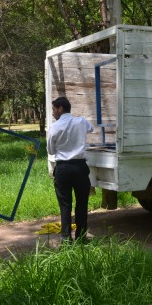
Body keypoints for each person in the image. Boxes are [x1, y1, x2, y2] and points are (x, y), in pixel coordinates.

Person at [47, 97, 94, 244]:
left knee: (65, 205)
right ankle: (81, 237)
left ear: (61, 109)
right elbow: (91, 128)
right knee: (82, 203)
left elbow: (51, 150)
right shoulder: (81, 121)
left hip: (63, 169)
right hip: (80, 167)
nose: (53, 113)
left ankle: (66, 240)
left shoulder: (54, 127)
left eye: (54, 109)